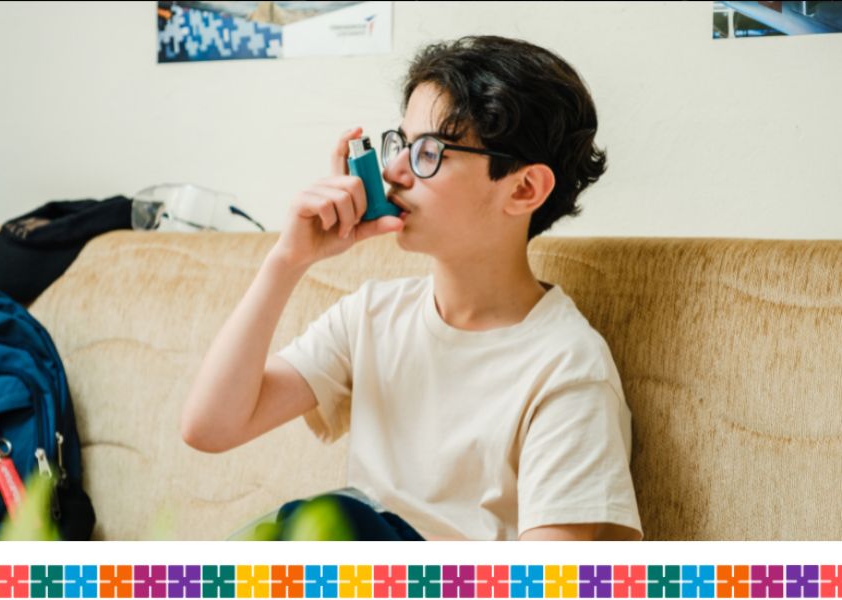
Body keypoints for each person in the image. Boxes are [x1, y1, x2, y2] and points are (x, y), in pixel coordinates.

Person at [181, 35, 642, 541]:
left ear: (523, 188)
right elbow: (210, 427)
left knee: (338, 520)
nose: (394, 171)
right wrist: (287, 262)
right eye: (401, 143)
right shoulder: (373, 316)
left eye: (429, 152)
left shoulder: (568, 369)